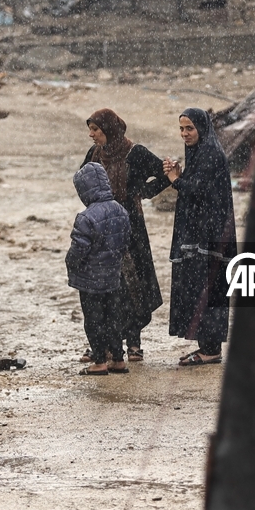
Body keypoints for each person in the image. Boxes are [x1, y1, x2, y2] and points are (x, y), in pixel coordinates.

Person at [80, 109, 170, 363]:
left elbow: (166, 173)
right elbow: (81, 181)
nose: (92, 135)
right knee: (109, 285)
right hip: (103, 230)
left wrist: (141, 191)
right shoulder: (94, 155)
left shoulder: (136, 153)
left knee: (135, 283)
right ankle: (108, 344)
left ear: (110, 130)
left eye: (96, 130)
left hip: (131, 226)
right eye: (91, 130)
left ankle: (134, 343)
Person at [163, 108, 236, 366]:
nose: (184, 134)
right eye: (181, 129)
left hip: (210, 236)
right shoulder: (199, 153)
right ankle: (207, 346)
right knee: (200, 289)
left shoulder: (210, 154)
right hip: (201, 236)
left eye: (189, 128)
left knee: (208, 289)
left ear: (201, 129)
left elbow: (200, 192)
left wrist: (175, 180)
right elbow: (198, 187)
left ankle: (211, 349)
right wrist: (181, 174)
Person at [67, 162, 132, 376]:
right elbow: (125, 241)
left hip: (91, 281)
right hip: (113, 276)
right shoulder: (121, 211)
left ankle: (99, 360)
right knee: (113, 317)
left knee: (94, 320)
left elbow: (78, 250)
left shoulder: (86, 218)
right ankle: (118, 358)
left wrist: (71, 264)